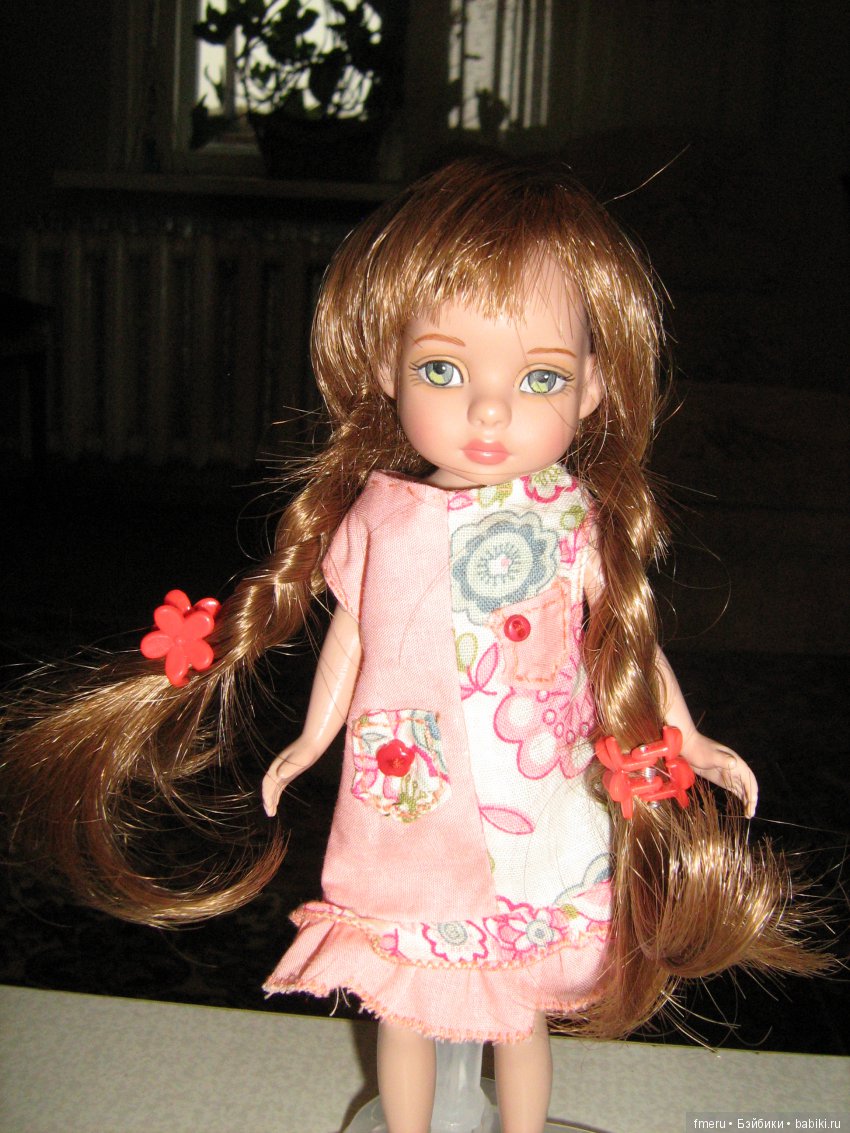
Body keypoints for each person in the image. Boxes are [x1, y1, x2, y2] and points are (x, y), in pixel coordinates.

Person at [1, 156, 823, 1133]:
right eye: (444, 368)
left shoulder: (572, 516)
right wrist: (312, 738)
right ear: (387, 366)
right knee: (403, 997)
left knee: (517, 1007)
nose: (489, 409)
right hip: (409, 791)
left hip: (539, 791)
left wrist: (682, 734)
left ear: (593, 390)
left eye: (541, 377)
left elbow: (625, 641)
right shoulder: (379, 516)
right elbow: (353, 633)